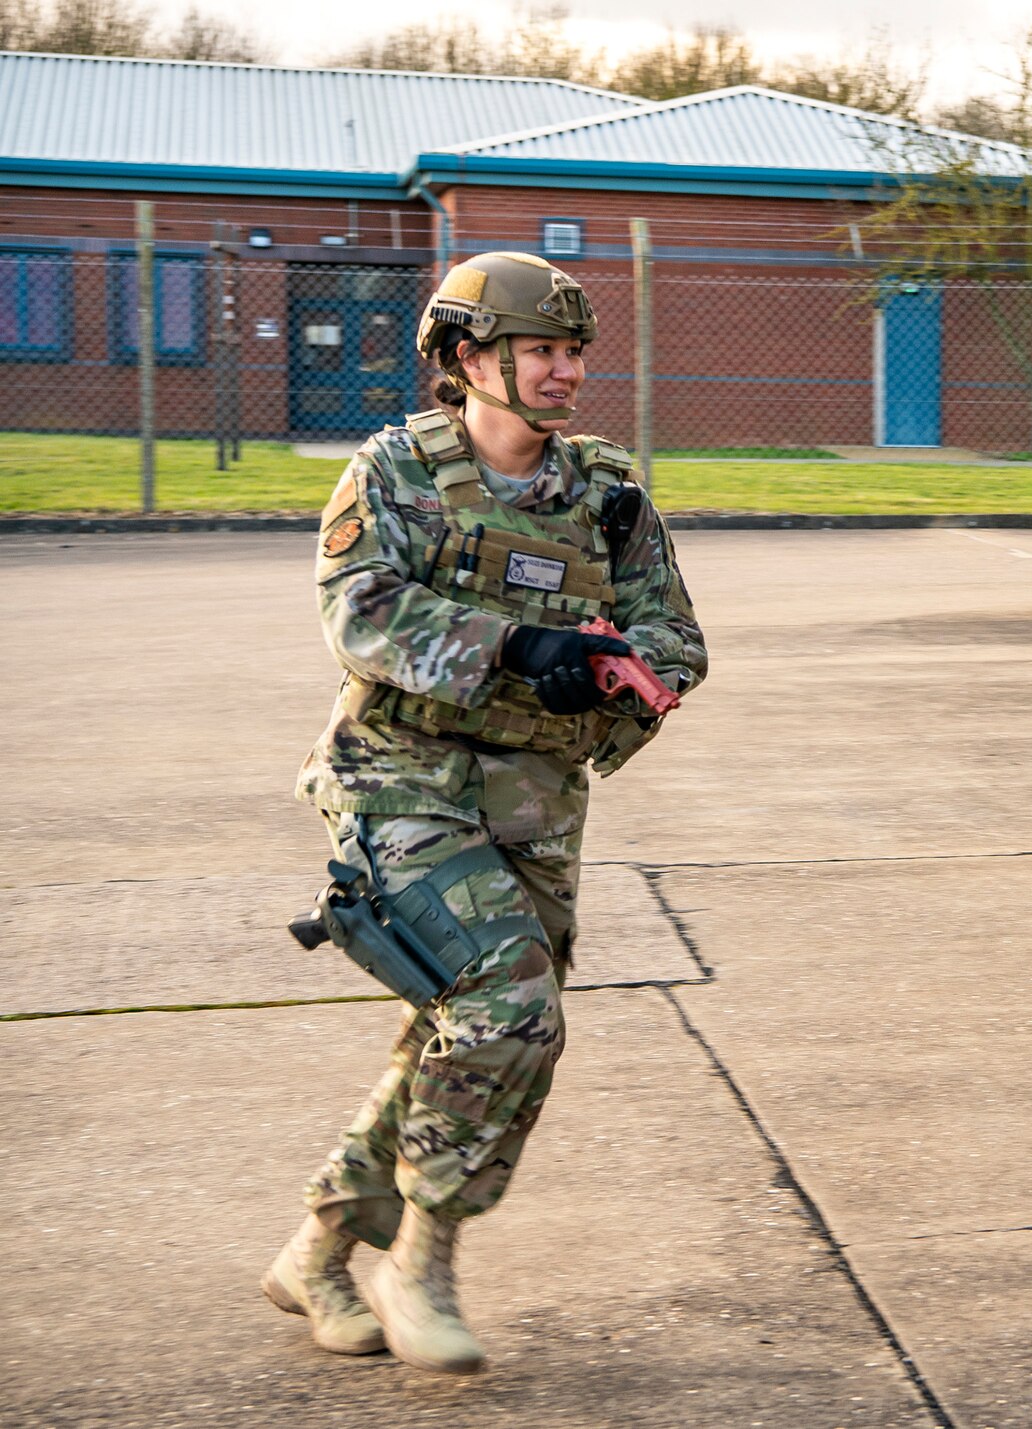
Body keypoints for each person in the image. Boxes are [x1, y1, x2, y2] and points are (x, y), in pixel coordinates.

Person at [265, 251, 706, 1373]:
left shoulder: (604, 493)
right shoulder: (394, 473)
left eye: (575, 353)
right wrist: (516, 647)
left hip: (533, 804)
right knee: (512, 1008)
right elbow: (360, 616)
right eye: (543, 352)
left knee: (463, 1034)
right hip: (399, 782)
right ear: (469, 361)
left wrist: (606, 677)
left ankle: (315, 1251)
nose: (567, 373)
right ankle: (421, 1260)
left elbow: (676, 640)